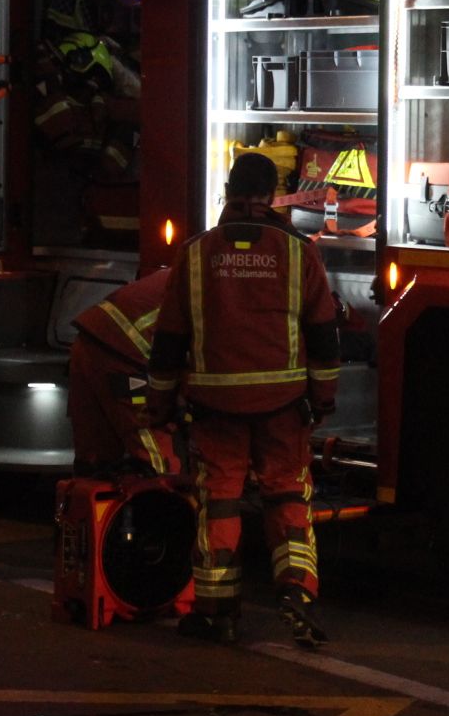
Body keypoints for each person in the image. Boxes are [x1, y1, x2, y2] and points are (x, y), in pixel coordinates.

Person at [146, 151, 341, 648]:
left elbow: (168, 341)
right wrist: (322, 399)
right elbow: (323, 334)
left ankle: (218, 614)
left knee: (221, 502)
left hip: (216, 406)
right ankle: (297, 589)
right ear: (272, 195)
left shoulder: (195, 253)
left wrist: (160, 409)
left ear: (229, 190)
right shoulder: (300, 252)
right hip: (283, 403)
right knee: (287, 494)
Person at [66, 269, 177, 477]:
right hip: (124, 354)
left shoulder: (197, 271)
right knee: (158, 466)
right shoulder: (222, 291)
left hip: (88, 342)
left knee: (95, 462)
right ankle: (162, 506)